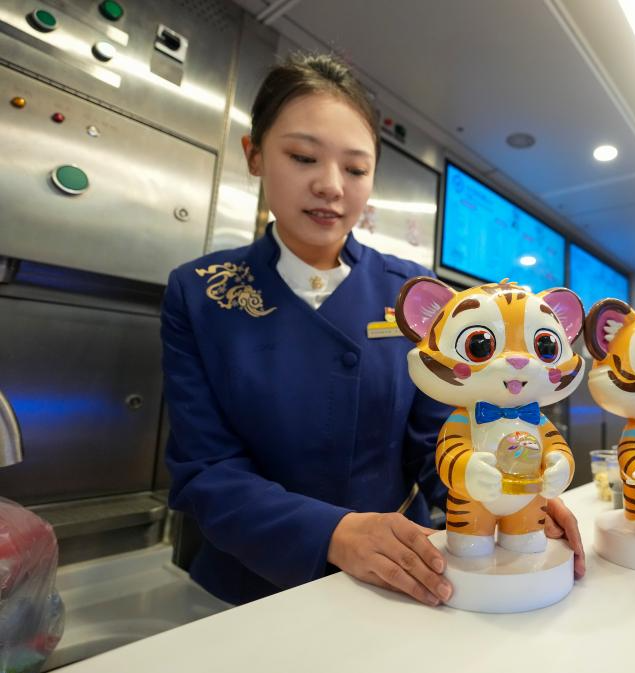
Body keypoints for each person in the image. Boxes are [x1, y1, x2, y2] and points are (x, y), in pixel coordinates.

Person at [162, 53, 585, 607]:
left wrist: (511, 493)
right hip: (249, 582)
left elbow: (440, 436)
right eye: (302, 157)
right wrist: (331, 532)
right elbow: (205, 468)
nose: (330, 186)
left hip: (399, 569)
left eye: (356, 169)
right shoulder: (201, 292)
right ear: (254, 154)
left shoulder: (410, 292)